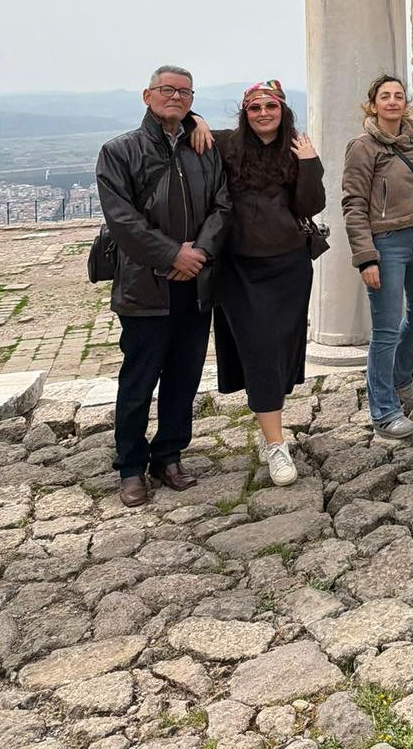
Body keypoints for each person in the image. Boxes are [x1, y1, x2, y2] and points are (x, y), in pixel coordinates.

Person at [95, 65, 231, 507]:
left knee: (184, 376)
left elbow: (222, 205)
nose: (175, 97)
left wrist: (200, 254)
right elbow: (122, 220)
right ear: (147, 95)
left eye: (185, 92)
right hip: (144, 285)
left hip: (195, 283)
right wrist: (174, 254)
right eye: (167, 90)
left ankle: (168, 455)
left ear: (193, 101)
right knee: (138, 379)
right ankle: (131, 467)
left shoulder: (204, 148)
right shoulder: (119, 151)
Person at [203, 80, 324, 487]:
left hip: (289, 268)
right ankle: (276, 445)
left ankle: (270, 424)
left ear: (282, 110)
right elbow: (180, 124)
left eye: (269, 106)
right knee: (257, 352)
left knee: (281, 353)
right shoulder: (227, 145)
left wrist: (309, 164)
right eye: (254, 108)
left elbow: (310, 206)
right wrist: (197, 119)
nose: (262, 114)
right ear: (245, 112)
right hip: (240, 271)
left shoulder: (297, 148)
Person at [343, 75, 413, 437]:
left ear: (406, 103)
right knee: (386, 329)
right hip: (386, 242)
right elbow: (353, 204)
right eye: (385, 96)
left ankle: (401, 377)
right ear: (373, 105)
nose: (392, 101)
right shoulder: (362, 146)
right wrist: (365, 257)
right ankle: (384, 410)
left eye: (399, 96)